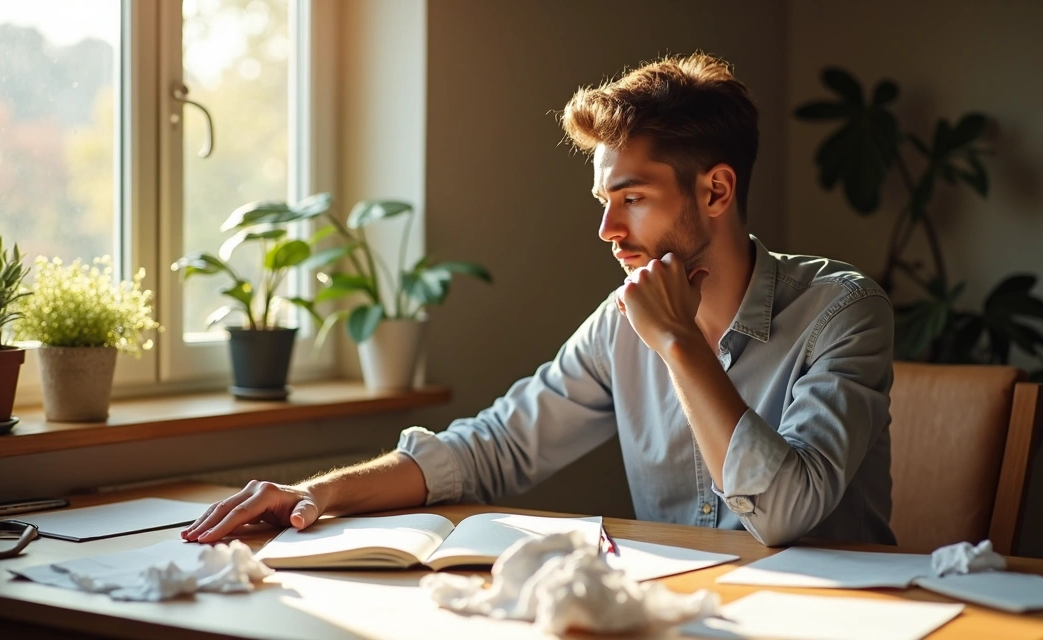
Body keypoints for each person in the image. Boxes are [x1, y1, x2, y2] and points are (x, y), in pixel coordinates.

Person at [183, 52, 896, 548]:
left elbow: (786, 513)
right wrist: (318, 493)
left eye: (633, 199)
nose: (607, 230)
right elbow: (491, 449)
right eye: (602, 200)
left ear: (715, 190)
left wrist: (679, 344)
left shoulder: (841, 311)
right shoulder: (619, 326)